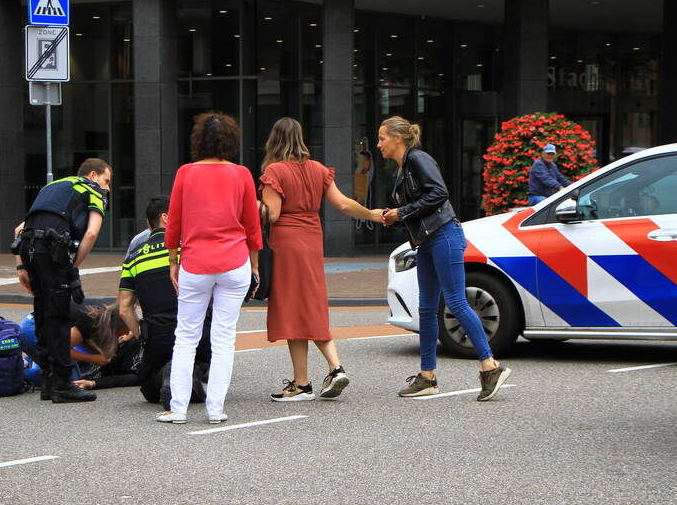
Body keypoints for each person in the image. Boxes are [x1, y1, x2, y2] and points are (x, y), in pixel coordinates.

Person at [377, 116, 512, 401]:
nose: (379, 144)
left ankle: (490, 366)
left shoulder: (418, 159)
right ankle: (427, 376)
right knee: (427, 308)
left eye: (382, 138)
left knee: (456, 301)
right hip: (426, 241)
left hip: (445, 235)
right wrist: (396, 215)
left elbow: (439, 194)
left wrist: (401, 213)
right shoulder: (403, 169)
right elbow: (420, 206)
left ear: (398, 139)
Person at [259, 117, 383, 401]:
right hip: (312, 240)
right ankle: (328, 370)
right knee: (310, 303)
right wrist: (372, 214)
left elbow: (273, 214)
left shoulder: (274, 171)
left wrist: (247, 203)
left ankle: (305, 383)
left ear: (274, 140)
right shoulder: (317, 169)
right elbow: (343, 203)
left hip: (287, 244)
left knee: (291, 308)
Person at [158, 111, 263, 424]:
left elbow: (173, 222)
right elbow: (252, 226)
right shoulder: (242, 174)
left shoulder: (185, 174)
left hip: (195, 262)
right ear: (230, 141)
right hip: (234, 262)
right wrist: (255, 265)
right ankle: (215, 409)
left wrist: (173, 261)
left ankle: (178, 408)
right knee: (224, 338)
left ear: (198, 140)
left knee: (186, 336)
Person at [13, 158, 110, 403]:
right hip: (52, 250)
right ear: (93, 175)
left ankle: (48, 380)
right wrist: (72, 267)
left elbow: (18, 230)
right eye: (106, 180)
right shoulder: (92, 190)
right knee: (58, 316)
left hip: (29, 248)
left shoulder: (53, 187)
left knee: (43, 312)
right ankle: (62, 385)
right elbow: (91, 232)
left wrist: (21, 267)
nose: (107, 187)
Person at [118, 195, 211, 404]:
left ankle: (168, 375)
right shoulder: (187, 249)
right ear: (166, 218)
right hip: (194, 333)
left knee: (150, 391)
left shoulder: (134, 257)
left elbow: (124, 308)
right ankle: (189, 373)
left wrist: (141, 336)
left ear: (148, 224)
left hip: (157, 338)